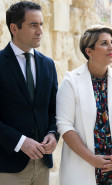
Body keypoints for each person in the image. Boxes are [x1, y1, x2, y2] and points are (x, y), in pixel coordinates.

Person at [56, 25, 112, 185]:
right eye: (104, 43)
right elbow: (64, 125)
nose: (111, 47)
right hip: (82, 167)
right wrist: (91, 159)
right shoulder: (71, 81)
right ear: (89, 51)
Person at [0, 1, 59, 185]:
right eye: (33, 25)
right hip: (8, 165)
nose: (40, 31)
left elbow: (54, 109)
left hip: (43, 164)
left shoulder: (48, 64)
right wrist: (20, 142)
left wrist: (53, 132)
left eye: (41, 24)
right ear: (14, 28)